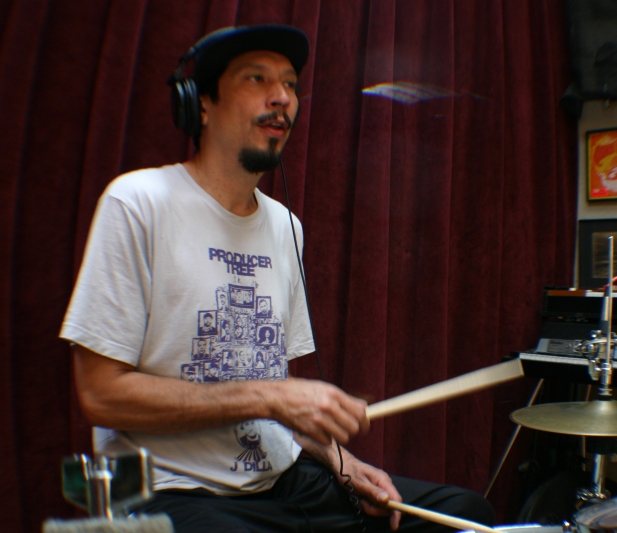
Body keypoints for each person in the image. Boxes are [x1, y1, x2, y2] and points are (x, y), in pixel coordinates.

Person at [60, 24, 494, 532]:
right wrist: (269, 396)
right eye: (256, 79)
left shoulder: (287, 227)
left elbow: (275, 390)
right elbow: (100, 394)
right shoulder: (137, 203)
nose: (282, 97)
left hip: (284, 482)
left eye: (289, 84)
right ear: (199, 105)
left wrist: (342, 461)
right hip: (170, 490)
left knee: (465, 517)